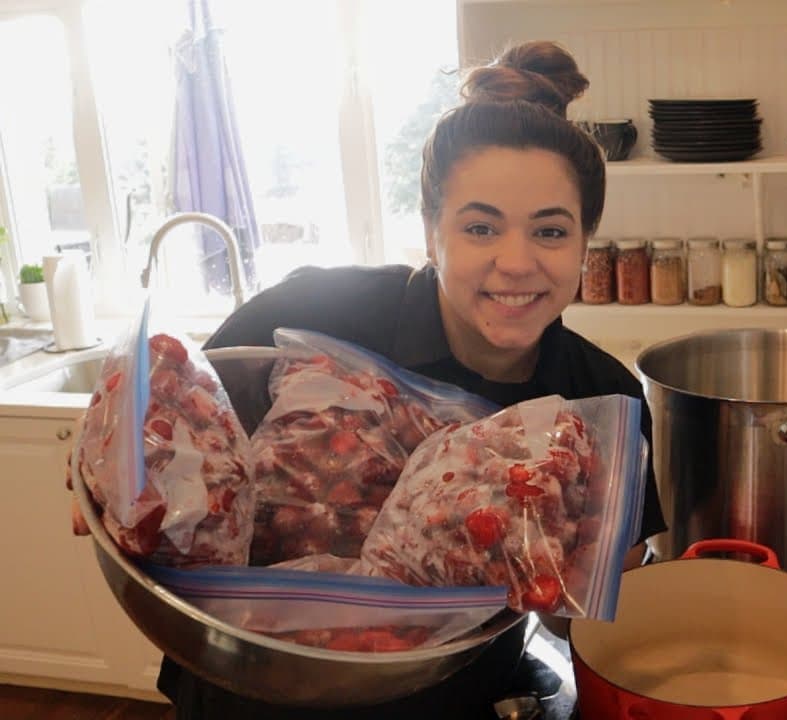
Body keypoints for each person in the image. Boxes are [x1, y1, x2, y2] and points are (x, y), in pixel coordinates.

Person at [73, 40, 666, 719]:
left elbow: (576, 619)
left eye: (551, 232)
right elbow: (173, 443)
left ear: (586, 241)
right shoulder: (315, 310)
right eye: (480, 227)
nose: (516, 262)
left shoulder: (601, 398)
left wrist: (605, 576)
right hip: (251, 685)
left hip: (456, 696)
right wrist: (106, 469)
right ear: (431, 230)